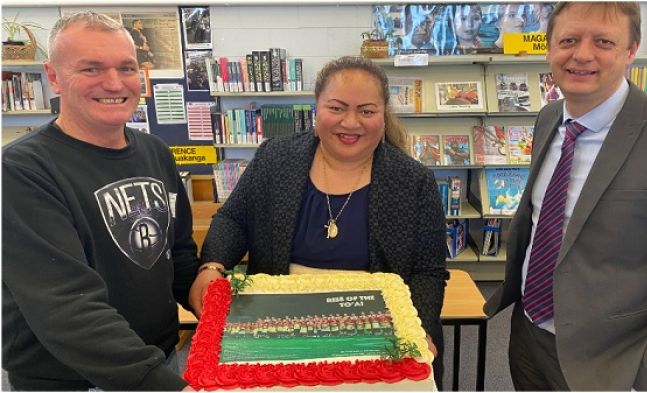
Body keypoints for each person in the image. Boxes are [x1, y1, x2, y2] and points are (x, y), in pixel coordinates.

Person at [190, 55, 449, 389]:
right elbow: (234, 219)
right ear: (317, 109)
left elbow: (428, 271)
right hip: (278, 335)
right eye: (337, 108)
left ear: (383, 116)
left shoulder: (414, 181)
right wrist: (210, 266)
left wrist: (420, 329)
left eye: (366, 111)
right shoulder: (275, 158)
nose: (351, 122)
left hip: (374, 343)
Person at [484, 2, 647, 390]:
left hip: (611, 362)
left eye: (603, 41)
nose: (582, 54)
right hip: (527, 336)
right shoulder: (548, 118)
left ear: (631, 51)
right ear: (549, 50)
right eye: (568, 40)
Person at [2, 12, 202, 390]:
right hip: (68, 380)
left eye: (126, 67)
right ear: (54, 76)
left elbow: (176, 255)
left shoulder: (156, 153)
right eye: (91, 69)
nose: (113, 83)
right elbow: (66, 307)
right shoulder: (21, 171)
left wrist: (212, 301)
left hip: (157, 359)